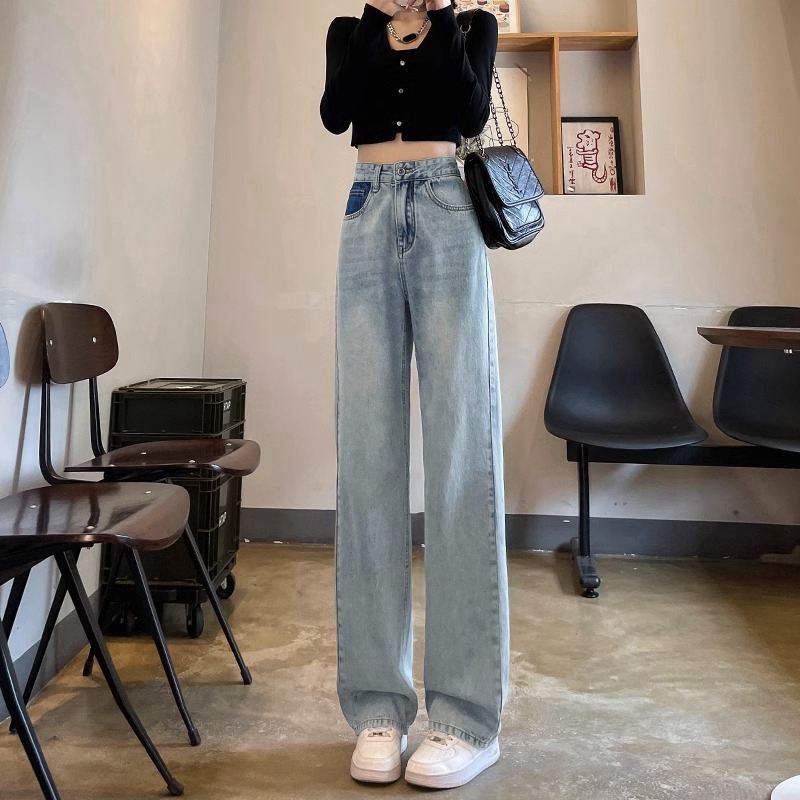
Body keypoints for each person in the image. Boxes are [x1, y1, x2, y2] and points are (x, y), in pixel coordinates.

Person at [319, 0, 509, 789]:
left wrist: (440, 22)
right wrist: (377, 22)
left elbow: (468, 111)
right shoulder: (347, 31)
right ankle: (377, 708)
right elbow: (337, 114)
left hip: (447, 209)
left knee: (462, 455)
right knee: (366, 457)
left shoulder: (473, 28)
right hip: (366, 209)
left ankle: (465, 719)